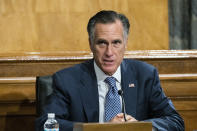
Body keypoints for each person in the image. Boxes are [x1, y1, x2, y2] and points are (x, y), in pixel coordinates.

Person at [35, 10, 184, 131]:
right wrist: (102, 129)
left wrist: (140, 128)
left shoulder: (145, 75)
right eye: (102, 43)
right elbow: (45, 125)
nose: (109, 52)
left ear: (125, 43)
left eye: (116, 43)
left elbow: (175, 121)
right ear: (91, 44)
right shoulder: (67, 80)